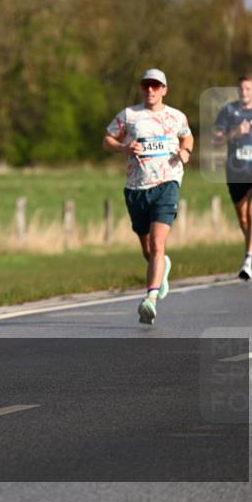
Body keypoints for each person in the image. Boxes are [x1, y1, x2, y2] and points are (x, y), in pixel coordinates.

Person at [103, 68, 193, 325]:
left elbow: (187, 137)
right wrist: (123, 147)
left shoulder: (176, 116)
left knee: (156, 243)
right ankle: (161, 267)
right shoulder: (129, 115)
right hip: (136, 187)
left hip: (167, 183)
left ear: (164, 89)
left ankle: (150, 300)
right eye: (146, 86)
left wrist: (185, 152)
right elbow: (107, 139)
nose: (150, 90)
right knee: (148, 249)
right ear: (142, 88)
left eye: (156, 86)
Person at [213, 74, 252, 280]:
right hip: (236, 171)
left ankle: (247, 259)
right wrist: (234, 133)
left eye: (248, 88)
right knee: (243, 218)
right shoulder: (228, 111)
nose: (244, 92)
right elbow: (216, 141)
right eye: (241, 89)